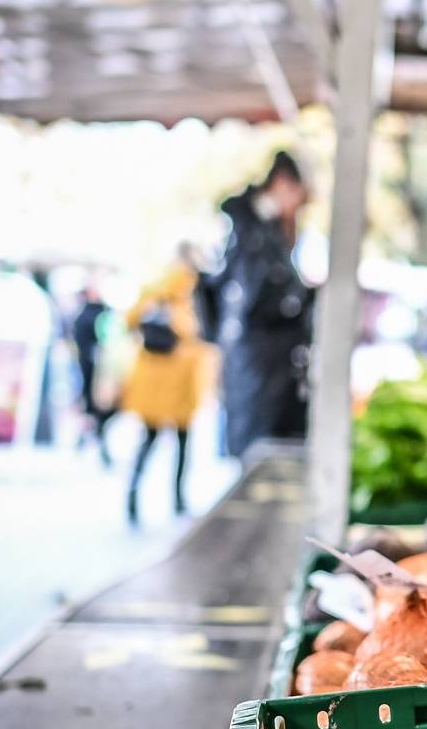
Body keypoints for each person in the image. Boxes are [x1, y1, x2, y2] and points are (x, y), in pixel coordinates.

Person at [215, 152, 312, 457]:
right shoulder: (252, 233)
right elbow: (260, 302)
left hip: (266, 377)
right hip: (258, 380)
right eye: (299, 197)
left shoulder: (262, 232)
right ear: (283, 184)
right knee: (258, 460)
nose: (298, 209)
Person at [120, 249, 208, 523]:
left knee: (149, 438)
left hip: (152, 376)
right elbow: (196, 332)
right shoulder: (192, 292)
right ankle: (178, 499)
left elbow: (128, 321)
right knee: (182, 442)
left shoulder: (153, 289)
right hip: (180, 378)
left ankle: (133, 494)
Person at [69, 278, 117, 466]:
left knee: (99, 408)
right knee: (93, 407)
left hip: (104, 369)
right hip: (92, 369)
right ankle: (94, 441)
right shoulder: (89, 314)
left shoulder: (102, 312)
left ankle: (89, 438)